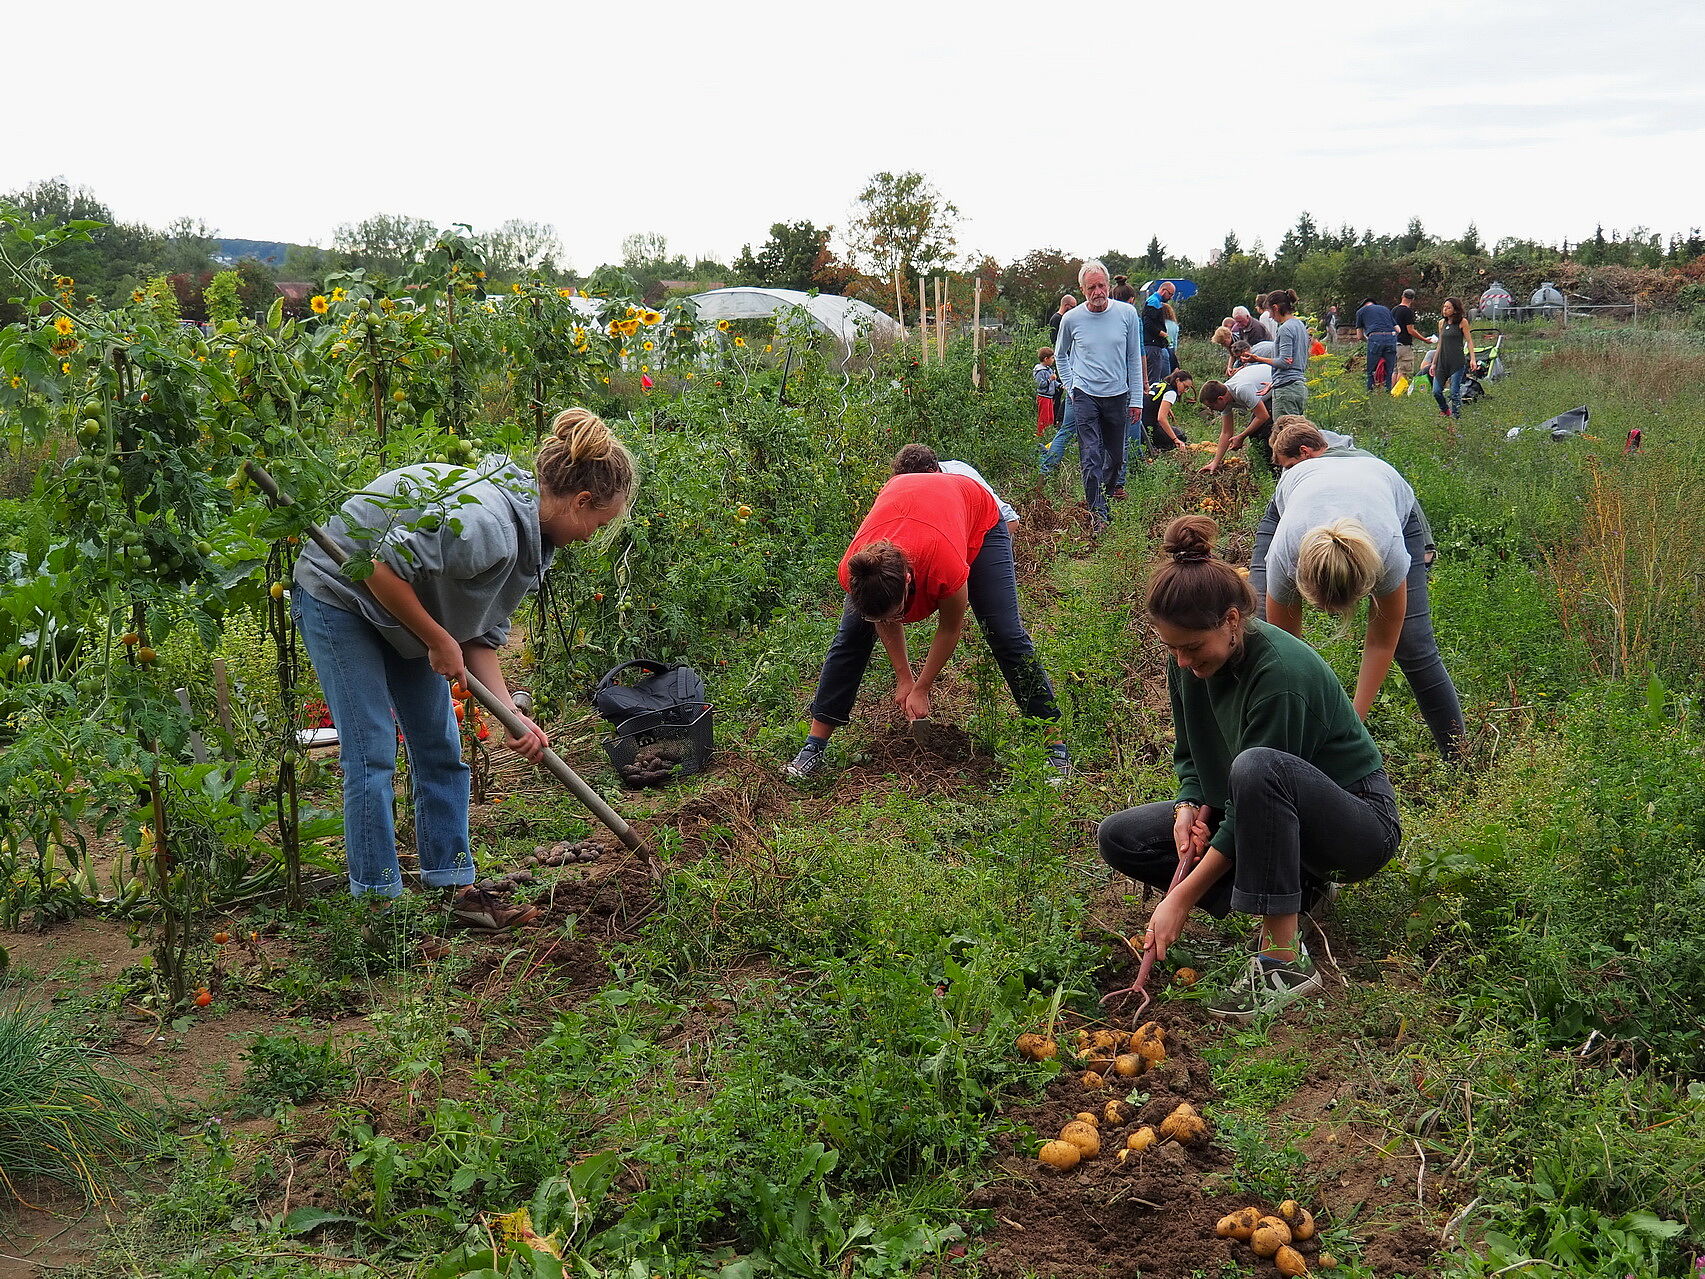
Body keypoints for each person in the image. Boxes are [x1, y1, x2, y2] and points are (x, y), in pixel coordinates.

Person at [291, 409, 635, 927]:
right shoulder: (488, 525)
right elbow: (376, 567)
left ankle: (454, 885)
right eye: (598, 523)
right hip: (343, 595)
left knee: (440, 748)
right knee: (373, 750)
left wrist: (512, 720)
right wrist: (435, 638)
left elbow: (478, 635)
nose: (593, 535)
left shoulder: (533, 540)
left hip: (407, 614)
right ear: (581, 502)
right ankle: (380, 905)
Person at [1097, 515, 1401, 1022]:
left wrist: (1182, 898)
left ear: (1233, 620)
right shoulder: (1188, 663)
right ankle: (1298, 892)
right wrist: (1187, 804)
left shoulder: (1280, 674)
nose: (1184, 661)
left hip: (1356, 827)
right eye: (1172, 648)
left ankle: (1284, 963)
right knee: (1121, 837)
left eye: (1193, 647)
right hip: (1266, 810)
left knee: (1259, 768)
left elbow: (1255, 794)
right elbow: (1191, 751)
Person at [785, 469, 1069, 780]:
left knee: (1004, 632)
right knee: (852, 635)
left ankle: (1053, 745)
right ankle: (814, 746)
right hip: (907, 500)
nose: (894, 621)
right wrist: (904, 679)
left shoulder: (942, 565)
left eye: (897, 613)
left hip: (975, 512)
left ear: (908, 580)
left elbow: (949, 629)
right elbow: (882, 620)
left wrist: (922, 687)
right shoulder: (858, 571)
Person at [1258, 419, 1466, 759]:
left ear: (1370, 580)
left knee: (1413, 643)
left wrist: (1351, 724)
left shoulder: (1387, 549)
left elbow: (1383, 641)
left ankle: (1459, 758)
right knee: (1261, 627)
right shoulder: (1286, 551)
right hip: (1300, 492)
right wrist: (1305, 726)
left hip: (1384, 492)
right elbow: (1289, 654)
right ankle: (1270, 747)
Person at [1053, 259, 1144, 531]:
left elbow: (1133, 359)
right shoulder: (1072, 319)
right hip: (1085, 394)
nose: (1098, 292)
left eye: (1101, 285)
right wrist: (1071, 386)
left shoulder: (1127, 314)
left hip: (1118, 394)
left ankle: (1106, 490)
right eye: (1091, 287)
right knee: (1090, 455)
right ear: (1083, 290)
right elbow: (1060, 355)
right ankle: (1098, 513)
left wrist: (1137, 398)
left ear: (1108, 285)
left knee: (1116, 457)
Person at [890, 443, 1019, 531]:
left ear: (931, 473)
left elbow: (1010, 520)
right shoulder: (919, 478)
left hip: (989, 533)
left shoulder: (964, 479)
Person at [1239, 289, 1309, 420]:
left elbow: (1285, 362)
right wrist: (1273, 383)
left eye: (1270, 312)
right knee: (1296, 432)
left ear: (1275, 308)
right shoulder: (1300, 325)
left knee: (1284, 434)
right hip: (1298, 387)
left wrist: (1257, 358)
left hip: (1286, 391)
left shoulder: (1285, 328)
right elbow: (1297, 361)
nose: (1270, 317)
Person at [1199, 361, 1274, 473]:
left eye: (1211, 406)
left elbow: (1263, 416)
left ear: (1220, 399)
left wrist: (1242, 436)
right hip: (1262, 394)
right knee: (1254, 433)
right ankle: (1264, 467)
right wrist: (1215, 462)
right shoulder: (1226, 398)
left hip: (1278, 386)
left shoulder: (1242, 389)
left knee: (1265, 431)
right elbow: (1226, 433)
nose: (1211, 410)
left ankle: (1273, 469)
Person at [1431, 297, 1478, 417]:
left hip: (1457, 362)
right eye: (1444, 307)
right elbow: (1440, 344)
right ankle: (1445, 409)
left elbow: (1469, 341)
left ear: (1455, 310)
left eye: (1448, 308)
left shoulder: (1463, 322)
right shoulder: (1442, 323)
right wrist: (1434, 363)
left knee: (1454, 392)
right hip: (1442, 362)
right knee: (1436, 391)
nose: (1445, 310)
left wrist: (1473, 359)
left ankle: (1456, 416)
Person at [1142, 369, 1195, 454]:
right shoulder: (1171, 393)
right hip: (1149, 428)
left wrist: (1167, 409)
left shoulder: (1158, 384)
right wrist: (1175, 439)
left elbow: (1152, 400)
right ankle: (1157, 448)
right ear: (1177, 380)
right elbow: (1161, 418)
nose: (1185, 391)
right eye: (1185, 387)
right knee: (1180, 436)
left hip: (1139, 425)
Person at [1354, 297, 1399, 390]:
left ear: (1363, 305)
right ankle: (1387, 392)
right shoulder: (1385, 309)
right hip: (1391, 337)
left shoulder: (1361, 312)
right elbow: (1398, 329)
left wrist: (1369, 340)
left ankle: (1371, 392)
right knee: (1389, 370)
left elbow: (1359, 336)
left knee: (1371, 370)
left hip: (1375, 337)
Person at [1391, 288, 1432, 384]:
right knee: (1403, 371)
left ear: (1402, 296)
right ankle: (1399, 394)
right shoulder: (1407, 312)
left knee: (1395, 370)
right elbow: (1410, 330)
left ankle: (1392, 392)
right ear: (1413, 299)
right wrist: (1424, 339)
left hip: (1394, 343)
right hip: (1404, 345)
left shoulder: (1393, 310)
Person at [1143, 281, 1177, 382]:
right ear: (1163, 291)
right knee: (1153, 379)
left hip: (1155, 346)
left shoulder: (1157, 302)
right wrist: (1162, 334)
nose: (1170, 297)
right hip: (1152, 345)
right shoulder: (1153, 302)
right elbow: (1148, 324)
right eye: (1170, 294)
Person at [1034, 347, 1063, 437]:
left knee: (1050, 417)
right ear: (1046, 359)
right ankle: (1040, 435)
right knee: (1043, 418)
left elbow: (1054, 382)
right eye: (1052, 358)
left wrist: (1060, 385)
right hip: (1043, 397)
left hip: (1049, 397)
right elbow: (1039, 384)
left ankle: (1048, 434)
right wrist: (1050, 379)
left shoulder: (1049, 369)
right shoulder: (1040, 371)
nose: (1053, 360)